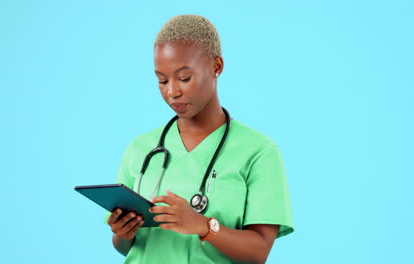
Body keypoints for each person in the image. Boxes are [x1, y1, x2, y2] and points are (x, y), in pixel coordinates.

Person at [105, 14, 294, 264]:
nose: (172, 91)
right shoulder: (140, 149)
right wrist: (122, 233)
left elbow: (259, 252)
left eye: (184, 78)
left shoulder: (258, 151)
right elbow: (126, 247)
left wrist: (203, 226)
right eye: (162, 80)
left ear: (216, 67)